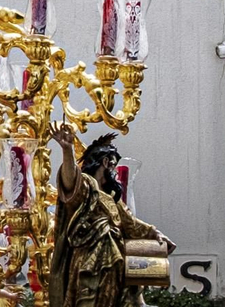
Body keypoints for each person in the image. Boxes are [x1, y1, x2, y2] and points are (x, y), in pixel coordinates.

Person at [47, 123, 174, 307]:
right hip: (90, 261)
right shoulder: (87, 186)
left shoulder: (111, 198)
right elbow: (70, 182)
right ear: (106, 162)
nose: (115, 171)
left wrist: (155, 234)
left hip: (115, 262)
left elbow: (131, 224)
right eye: (114, 165)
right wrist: (67, 151)